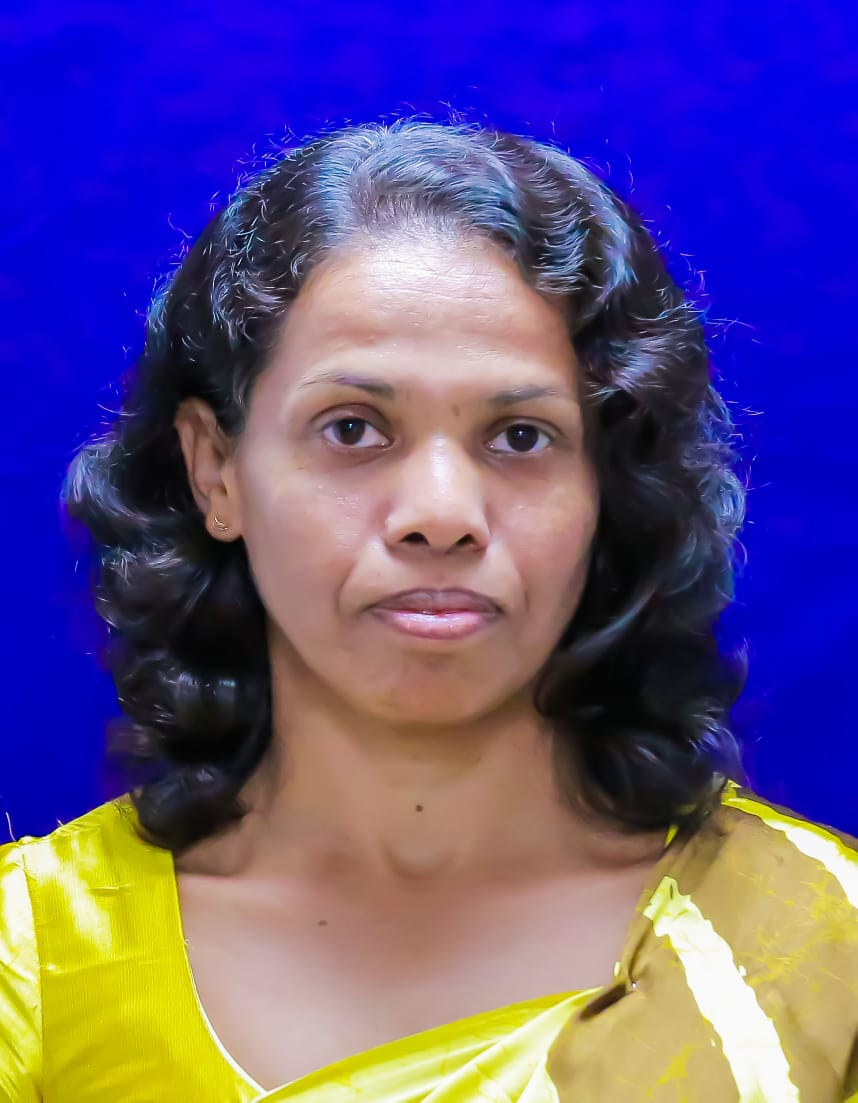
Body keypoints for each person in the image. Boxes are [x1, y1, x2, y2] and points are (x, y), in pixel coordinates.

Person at [1, 117, 855, 1103]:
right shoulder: (36, 961)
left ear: (606, 489)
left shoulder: (822, 952)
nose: (442, 514)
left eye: (521, 436)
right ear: (216, 469)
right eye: (353, 429)